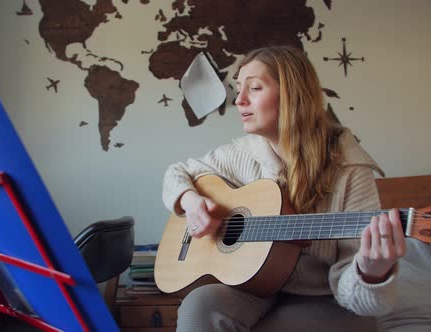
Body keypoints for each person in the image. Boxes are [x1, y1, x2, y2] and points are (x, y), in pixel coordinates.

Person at [161, 45, 406, 331]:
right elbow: (176, 173)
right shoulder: (243, 153)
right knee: (199, 304)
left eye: (253, 88)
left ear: (292, 95)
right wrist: (191, 202)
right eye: (238, 88)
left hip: (324, 298)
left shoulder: (350, 170)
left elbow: (364, 300)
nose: (239, 100)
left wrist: (371, 272)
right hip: (254, 289)